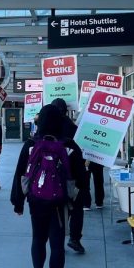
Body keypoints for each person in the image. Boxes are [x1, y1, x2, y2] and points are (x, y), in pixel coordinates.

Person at [11, 105, 83, 268]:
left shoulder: (31, 145)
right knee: (57, 244)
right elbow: (81, 179)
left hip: (36, 201)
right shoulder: (69, 146)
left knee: (38, 238)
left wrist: (18, 203)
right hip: (59, 204)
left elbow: (19, 174)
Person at [51, 98, 89, 254]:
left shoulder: (49, 128)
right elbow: (80, 151)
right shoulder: (74, 129)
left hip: (53, 177)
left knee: (58, 210)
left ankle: (58, 239)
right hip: (72, 176)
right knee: (76, 208)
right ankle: (74, 238)